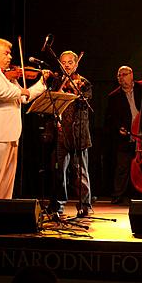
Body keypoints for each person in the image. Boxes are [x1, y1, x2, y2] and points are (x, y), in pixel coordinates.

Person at [0, 38, 48, 203]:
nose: (10, 57)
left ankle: (1, 208)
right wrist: (20, 91)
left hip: (11, 131)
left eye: (10, 54)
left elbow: (24, 98)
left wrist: (41, 83)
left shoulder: (7, 76)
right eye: (6, 53)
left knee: (7, 177)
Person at [46, 51, 93, 216]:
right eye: (63, 62)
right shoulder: (57, 82)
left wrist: (76, 91)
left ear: (76, 64)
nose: (66, 65)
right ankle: (58, 205)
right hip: (61, 133)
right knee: (59, 172)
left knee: (81, 172)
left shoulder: (84, 83)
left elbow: (85, 103)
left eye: (70, 62)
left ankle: (85, 205)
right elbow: (50, 102)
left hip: (79, 133)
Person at [104, 65, 142, 204]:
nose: (121, 78)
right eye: (119, 76)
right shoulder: (113, 96)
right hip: (127, 134)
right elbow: (110, 119)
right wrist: (118, 128)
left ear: (132, 75)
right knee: (122, 166)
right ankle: (118, 195)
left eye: (124, 74)